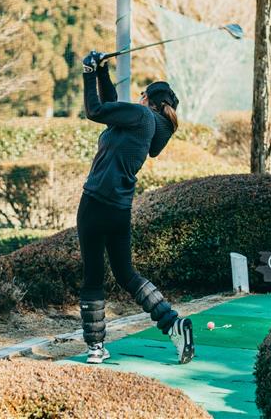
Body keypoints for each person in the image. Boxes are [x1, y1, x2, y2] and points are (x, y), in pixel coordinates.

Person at [77, 50, 194, 365]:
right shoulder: (153, 127)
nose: (138, 98)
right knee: (126, 273)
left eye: (143, 95)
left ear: (151, 103)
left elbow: (95, 110)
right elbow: (112, 106)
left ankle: (96, 348)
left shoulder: (140, 117)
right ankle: (172, 324)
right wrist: (103, 73)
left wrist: (88, 72)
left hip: (94, 202)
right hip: (119, 208)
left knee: (93, 276)